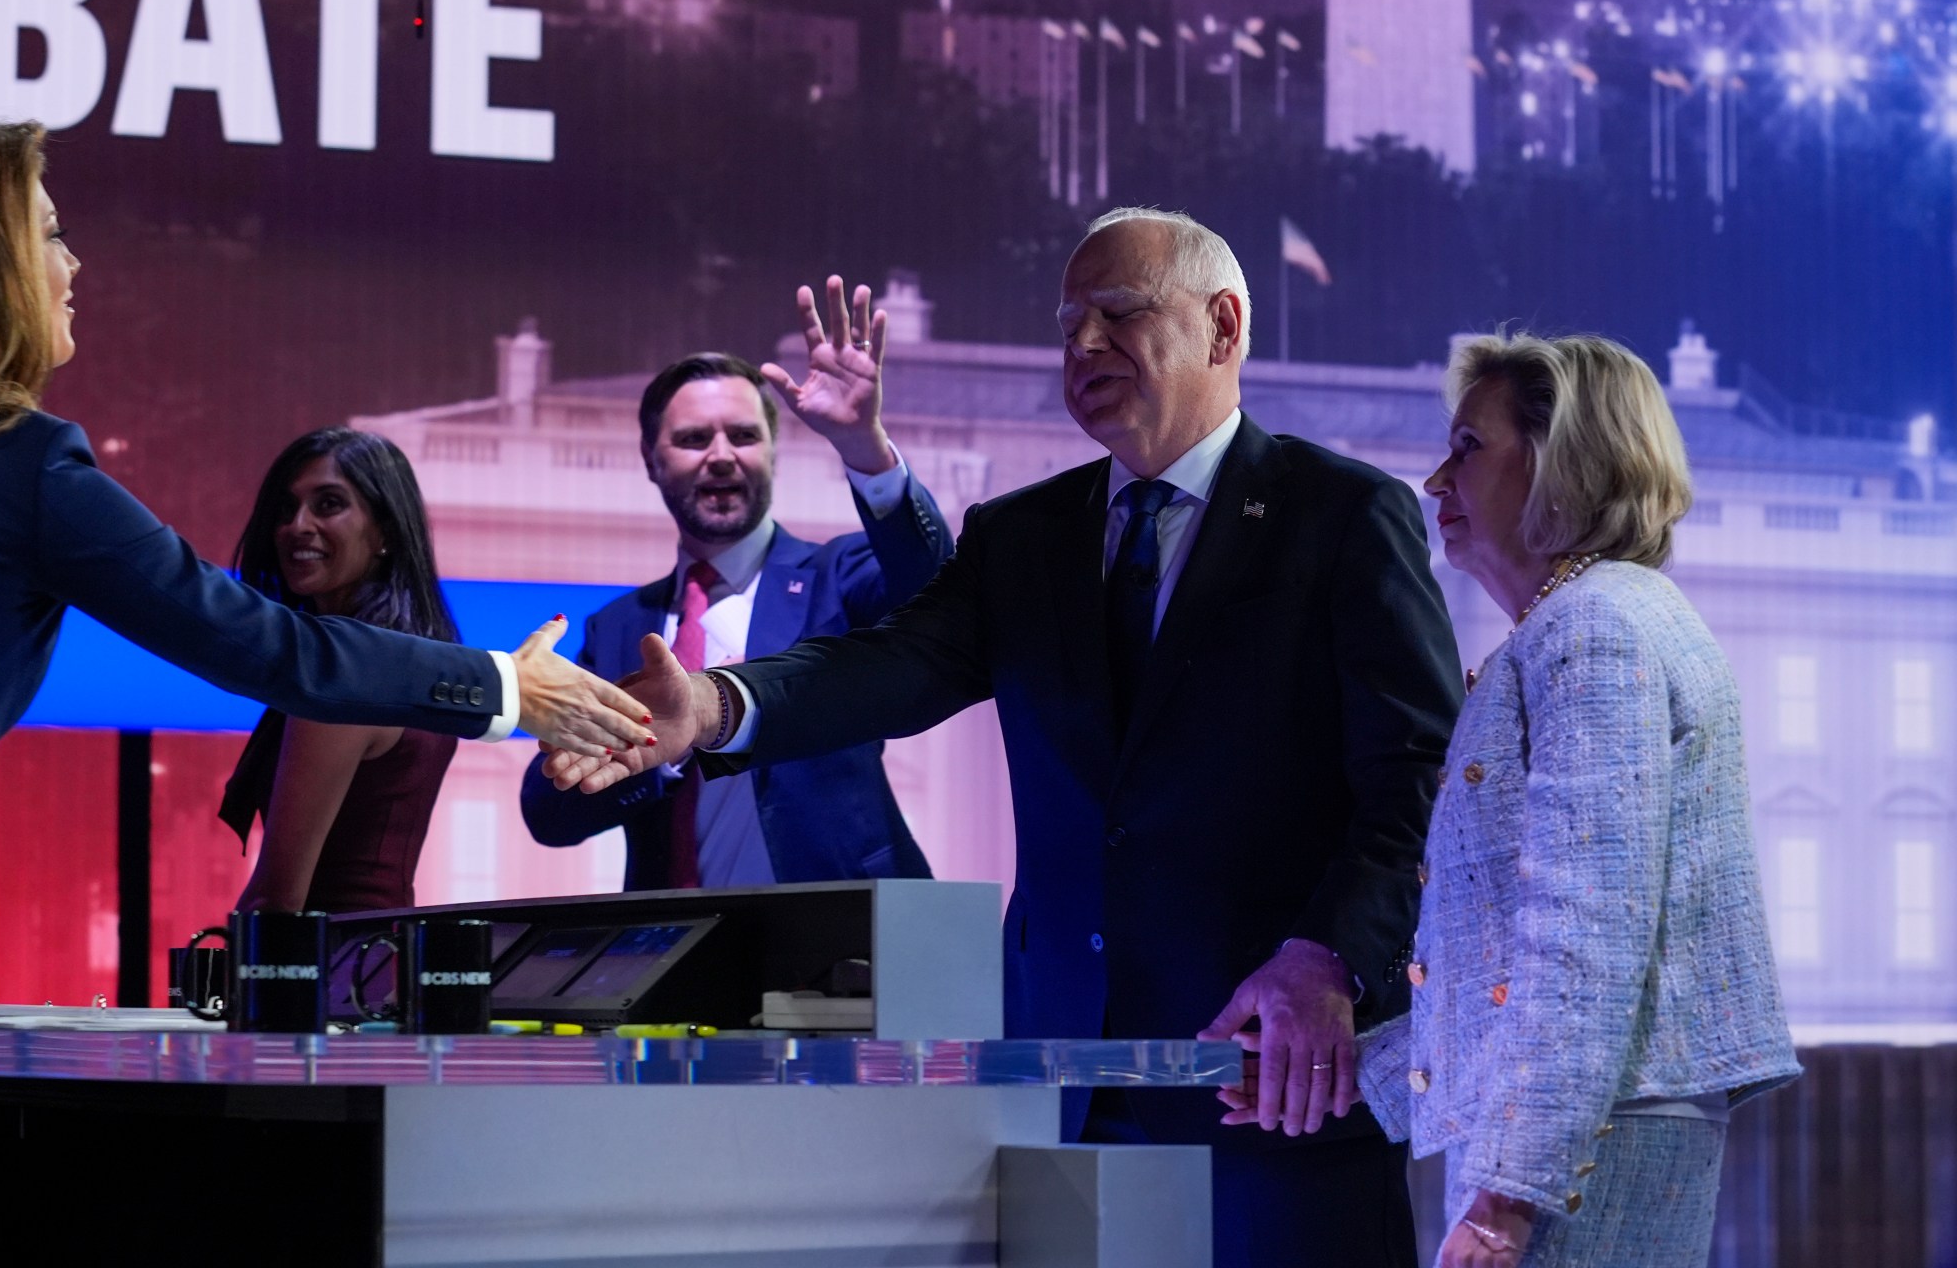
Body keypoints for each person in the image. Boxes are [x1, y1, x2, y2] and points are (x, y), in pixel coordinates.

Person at [0, 118, 651, 1265]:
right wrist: (504, 683)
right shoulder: (21, 462)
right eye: (49, 233)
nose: (73, 263)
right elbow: (269, 649)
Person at [544, 208, 1465, 1268]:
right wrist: (712, 708)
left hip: (1269, 1078)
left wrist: (1332, 957)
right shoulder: (1025, 536)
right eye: (1068, 323)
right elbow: (886, 667)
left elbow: (1417, 775)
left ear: (1221, 326)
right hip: (1066, 1081)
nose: (1081, 348)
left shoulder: (1341, 516)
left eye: (1117, 314)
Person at [1316, 332, 1797, 1267]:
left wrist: (1507, 1200)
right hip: (1585, 1131)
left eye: (1467, 447)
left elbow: (1585, 938)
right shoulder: (1594, 621)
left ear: (1560, 459)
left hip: (1579, 1146)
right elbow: (1507, 972)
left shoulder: (1597, 632)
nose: (1434, 482)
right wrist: (1351, 1072)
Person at [519, 280, 952, 888]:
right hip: (673, 957)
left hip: (844, 945)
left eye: (744, 436)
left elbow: (939, 587)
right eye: (694, 439)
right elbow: (549, 813)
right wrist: (660, 754)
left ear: (773, 452)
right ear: (651, 459)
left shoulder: (838, 579)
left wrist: (864, 447)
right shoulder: (618, 629)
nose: (721, 455)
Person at [221, 428, 463, 912]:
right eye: (286, 510)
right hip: (377, 965)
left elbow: (278, 898)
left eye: (328, 504)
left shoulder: (349, 670)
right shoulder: (409, 655)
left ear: (386, 532)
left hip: (329, 972)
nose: (296, 526)